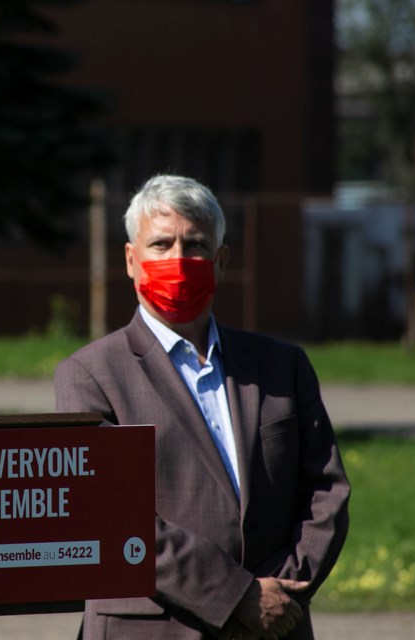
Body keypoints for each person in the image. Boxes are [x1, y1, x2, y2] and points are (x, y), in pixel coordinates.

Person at [54, 174, 350, 640]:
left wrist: (281, 594)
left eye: (194, 245)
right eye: (160, 244)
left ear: (221, 260)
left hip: (276, 626)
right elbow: (111, 513)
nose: (178, 260)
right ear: (131, 260)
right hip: (153, 628)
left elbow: (325, 493)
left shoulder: (281, 366)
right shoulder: (90, 375)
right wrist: (238, 596)